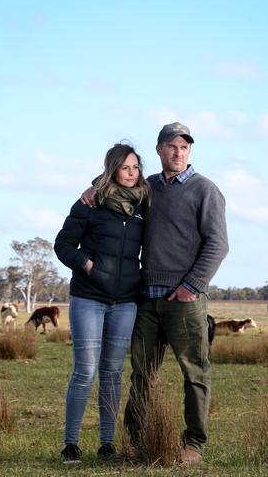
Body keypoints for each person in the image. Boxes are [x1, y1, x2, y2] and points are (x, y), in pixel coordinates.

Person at [82, 122, 228, 464]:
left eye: (184, 147)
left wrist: (192, 286)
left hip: (185, 302)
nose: (178, 153)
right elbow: (115, 187)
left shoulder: (205, 190)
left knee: (195, 373)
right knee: (142, 375)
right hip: (146, 299)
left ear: (189, 151)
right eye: (171, 146)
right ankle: (138, 442)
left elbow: (218, 245)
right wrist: (90, 189)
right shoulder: (147, 189)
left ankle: (194, 444)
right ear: (160, 149)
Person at [54, 142, 151, 464]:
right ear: (112, 169)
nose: (131, 173)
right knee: (85, 371)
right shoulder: (90, 202)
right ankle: (71, 444)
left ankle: (107, 444)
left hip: (126, 301)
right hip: (88, 298)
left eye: (135, 167)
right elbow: (63, 244)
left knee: (112, 373)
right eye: (125, 167)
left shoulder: (144, 204)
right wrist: (88, 266)